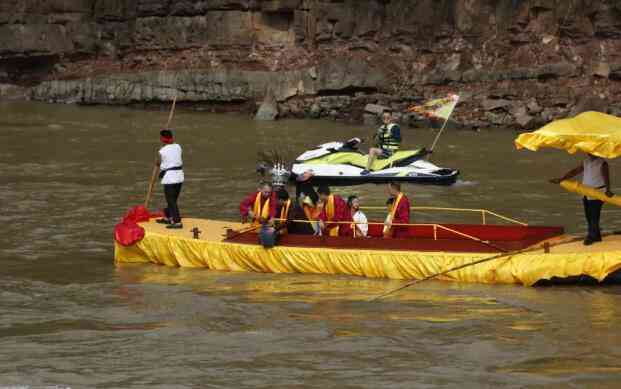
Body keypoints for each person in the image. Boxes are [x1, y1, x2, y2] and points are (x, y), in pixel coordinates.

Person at [550, 154, 613, 245]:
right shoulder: (586, 162)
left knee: (594, 215)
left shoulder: (602, 163)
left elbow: (606, 177)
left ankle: (591, 236)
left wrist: (608, 190)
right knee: (588, 215)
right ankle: (597, 236)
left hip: (598, 193)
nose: (589, 153)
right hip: (586, 192)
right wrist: (562, 179)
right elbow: (575, 171)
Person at [155, 129, 184, 229]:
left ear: (163, 139)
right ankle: (168, 216)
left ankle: (177, 222)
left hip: (170, 178)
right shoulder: (178, 146)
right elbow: (172, 158)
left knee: (171, 200)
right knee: (173, 199)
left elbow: (161, 164)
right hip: (179, 177)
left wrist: (158, 163)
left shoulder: (162, 151)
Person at [361, 109, 402, 175]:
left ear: (391, 118)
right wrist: (377, 135)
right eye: (384, 117)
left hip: (390, 151)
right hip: (383, 151)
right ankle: (371, 165)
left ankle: (367, 170)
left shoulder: (394, 127)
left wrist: (392, 134)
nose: (386, 119)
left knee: (372, 150)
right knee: (369, 151)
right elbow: (376, 140)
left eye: (388, 117)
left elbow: (399, 139)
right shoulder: (382, 127)